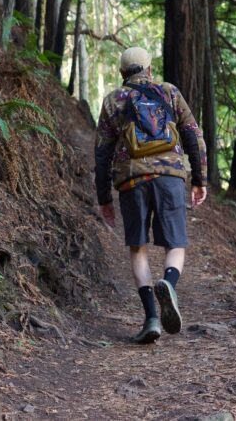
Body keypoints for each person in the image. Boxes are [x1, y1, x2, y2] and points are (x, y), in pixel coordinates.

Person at [94, 47, 208, 344]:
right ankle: (169, 283)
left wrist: (104, 197)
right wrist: (199, 179)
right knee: (176, 243)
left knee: (138, 248)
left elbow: (102, 153)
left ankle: (152, 318)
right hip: (170, 176)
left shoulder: (113, 100)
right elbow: (193, 134)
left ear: (122, 73)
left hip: (132, 180)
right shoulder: (169, 92)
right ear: (149, 69)